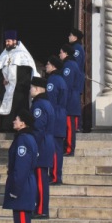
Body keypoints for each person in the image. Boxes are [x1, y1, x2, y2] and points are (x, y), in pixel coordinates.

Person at [3, 110, 39, 223]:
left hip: (23, 186)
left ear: (23, 123)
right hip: (26, 183)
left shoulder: (23, 140)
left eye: (16, 118)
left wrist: (15, 190)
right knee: (20, 222)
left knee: (23, 222)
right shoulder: (26, 138)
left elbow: (21, 167)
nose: (14, 121)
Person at [0, 30, 36, 130]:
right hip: (8, 89)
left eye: (9, 41)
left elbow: (27, 73)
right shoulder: (4, 55)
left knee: (18, 108)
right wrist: (3, 80)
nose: (7, 43)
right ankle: (6, 127)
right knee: (7, 109)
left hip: (20, 90)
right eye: (6, 41)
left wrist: (17, 84)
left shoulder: (23, 54)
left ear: (15, 41)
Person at [29, 76, 55, 219]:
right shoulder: (45, 103)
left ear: (38, 89)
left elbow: (38, 127)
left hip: (41, 145)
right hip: (46, 143)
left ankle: (41, 209)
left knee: (40, 179)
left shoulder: (39, 105)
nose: (30, 90)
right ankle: (40, 207)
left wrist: (32, 145)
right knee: (41, 178)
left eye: (32, 87)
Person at [44, 56, 68, 184]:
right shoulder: (61, 79)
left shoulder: (53, 80)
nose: (46, 66)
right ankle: (55, 175)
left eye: (48, 64)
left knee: (54, 149)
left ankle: (54, 176)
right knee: (56, 148)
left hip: (55, 117)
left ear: (53, 66)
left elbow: (51, 100)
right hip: (60, 116)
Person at [58, 44, 83, 155]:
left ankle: (69, 149)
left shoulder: (68, 66)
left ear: (66, 53)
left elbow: (66, 85)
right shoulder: (71, 64)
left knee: (69, 127)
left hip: (69, 101)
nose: (59, 54)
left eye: (61, 52)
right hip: (71, 100)